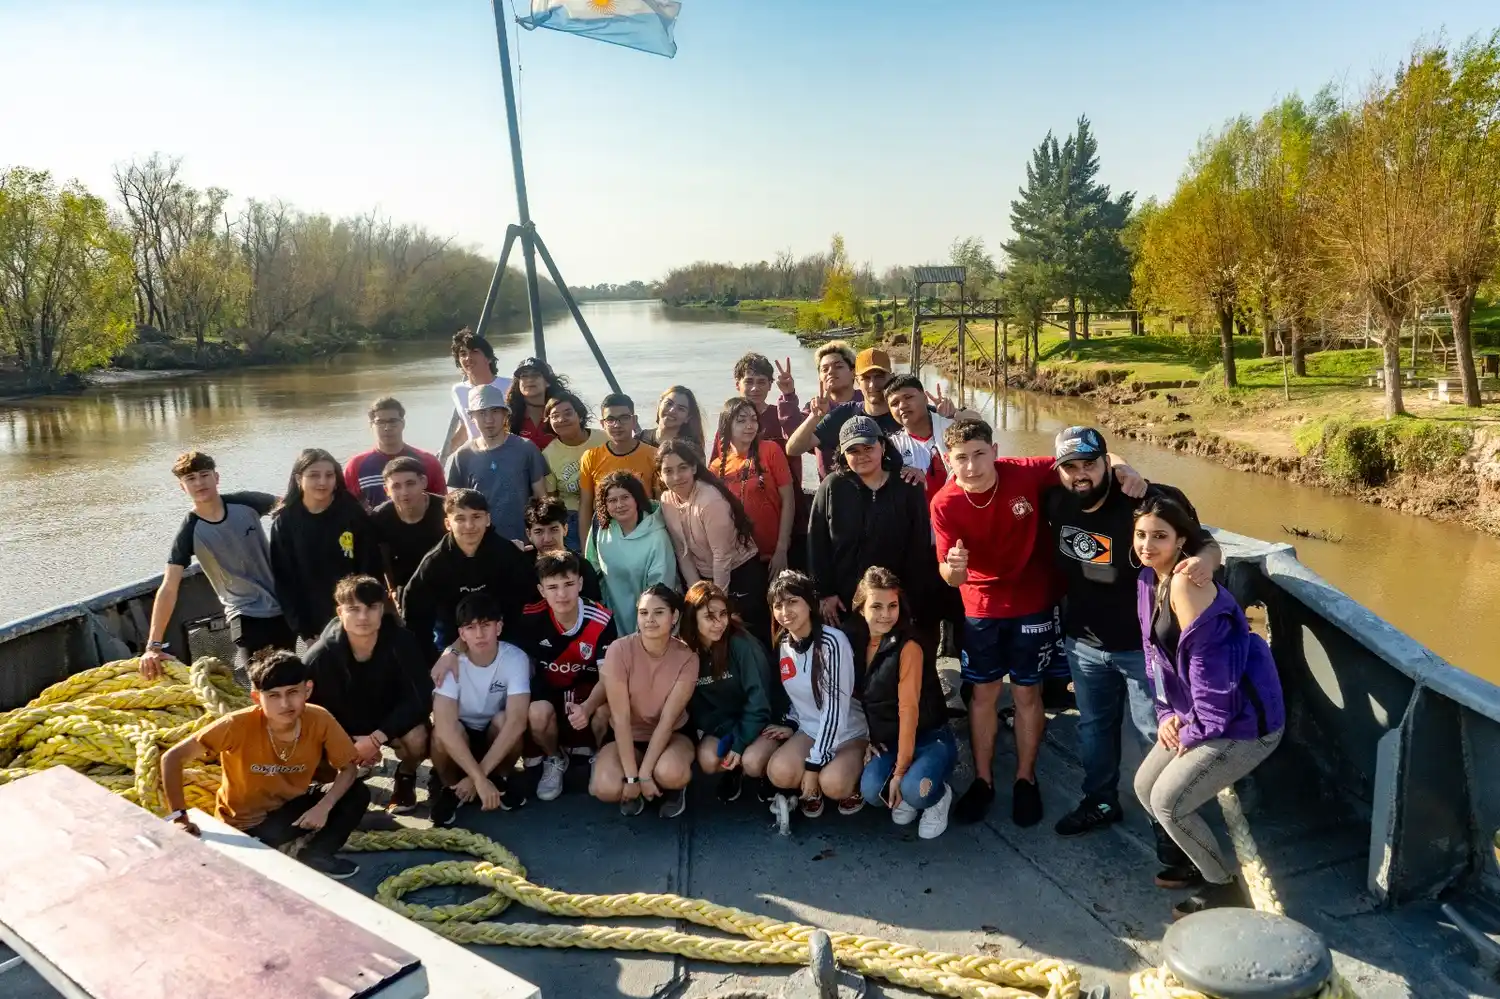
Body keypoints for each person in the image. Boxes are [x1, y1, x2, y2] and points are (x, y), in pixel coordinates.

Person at [930, 419, 1142, 828]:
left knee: (1028, 693)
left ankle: (1026, 779)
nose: (971, 467)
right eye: (960, 459)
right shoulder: (944, 503)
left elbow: (1081, 462)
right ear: (948, 460)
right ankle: (984, 780)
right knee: (984, 695)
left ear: (994, 450)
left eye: (979, 454)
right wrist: (954, 569)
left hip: (1032, 601)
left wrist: (1124, 467)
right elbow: (949, 576)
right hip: (981, 606)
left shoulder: (1024, 471)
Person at [1043, 425, 1221, 848]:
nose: (1080, 474)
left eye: (1090, 463)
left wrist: (1206, 564)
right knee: (1093, 729)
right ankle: (1100, 801)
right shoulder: (1054, 500)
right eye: (1070, 467)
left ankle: (1168, 821)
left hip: (1145, 650)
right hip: (1083, 643)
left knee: (1156, 735)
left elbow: (1205, 543)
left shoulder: (1146, 499)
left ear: (1107, 461)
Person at [1132, 493, 1285, 920]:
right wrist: (1166, 714)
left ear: (1182, 541)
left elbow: (1214, 684)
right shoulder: (1149, 580)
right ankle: (1188, 858)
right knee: (1145, 786)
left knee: (1167, 802)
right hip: (1195, 714)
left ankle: (1223, 886)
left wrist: (1193, 731)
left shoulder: (1188, 585)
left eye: (1160, 537)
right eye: (1141, 535)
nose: (1147, 545)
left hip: (1243, 724)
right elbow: (1153, 656)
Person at [160, 649, 368, 880]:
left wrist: (324, 806)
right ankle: (262, 848)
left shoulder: (320, 719)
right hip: (248, 825)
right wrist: (179, 818)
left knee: (358, 792)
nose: (285, 703)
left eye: (293, 692)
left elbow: (348, 768)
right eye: (273, 696)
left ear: (307, 690)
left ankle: (316, 854)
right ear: (257, 698)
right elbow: (172, 758)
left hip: (292, 807)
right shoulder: (235, 725)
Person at [140, 451, 291, 680]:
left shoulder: (246, 502)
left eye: (204, 475)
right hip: (245, 613)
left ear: (216, 477)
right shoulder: (190, 530)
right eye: (191, 479)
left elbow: (294, 507)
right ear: (182, 487)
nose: (199, 482)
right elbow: (169, 587)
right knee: (264, 681)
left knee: (292, 677)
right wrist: (153, 646)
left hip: (284, 603)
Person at [302, 575, 433, 813]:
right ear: (340, 612)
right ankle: (342, 781)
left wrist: (375, 739)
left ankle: (405, 776)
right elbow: (305, 712)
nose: (363, 617)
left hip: (388, 723)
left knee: (418, 739)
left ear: (382, 609)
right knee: (306, 748)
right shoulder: (318, 657)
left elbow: (421, 697)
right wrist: (348, 744)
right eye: (354, 609)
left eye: (371, 608)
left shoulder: (402, 642)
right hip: (342, 729)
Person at [750, 571, 868, 829]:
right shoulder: (784, 644)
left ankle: (851, 781)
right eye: (778, 605)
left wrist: (813, 767)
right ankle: (815, 780)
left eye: (793, 601)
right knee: (778, 772)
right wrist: (792, 723)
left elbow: (835, 710)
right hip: (811, 730)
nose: (785, 611)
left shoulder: (832, 642)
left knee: (833, 783)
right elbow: (799, 697)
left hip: (847, 732)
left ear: (809, 603)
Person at [808, 416, 944, 633]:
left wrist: (911, 600)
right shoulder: (832, 487)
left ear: (882, 446)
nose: (862, 456)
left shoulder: (907, 486)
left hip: (895, 601)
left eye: (868, 448)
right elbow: (817, 543)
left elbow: (918, 548)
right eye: (854, 451)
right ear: (843, 454)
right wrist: (825, 593)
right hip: (845, 601)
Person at [851, 567, 956, 840]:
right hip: (890, 739)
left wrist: (898, 772)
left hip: (929, 736)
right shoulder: (853, 641)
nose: (886, 614)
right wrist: (867, 739)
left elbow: (908, 709)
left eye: (892, 605)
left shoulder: (910, 646)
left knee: (913, 790)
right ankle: (909, 784)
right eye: (876, 606)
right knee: (872, 791)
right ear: (861, 608)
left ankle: (938, 797)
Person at [511, 550, 618, 801]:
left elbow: (608, 678)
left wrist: (589, 707)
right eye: (553, 587)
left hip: (587, 686)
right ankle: (554, 758)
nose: (562, 594)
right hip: (548, 688)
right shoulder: (530, 617)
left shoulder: (601, 619)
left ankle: (599, 758)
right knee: (537, 713)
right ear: (541, 590)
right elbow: (522, 669)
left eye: (569, 584)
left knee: (605, 710)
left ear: (580, 583)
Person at [589, 584, 699, 818]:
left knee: (670, 772)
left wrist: (646, 774)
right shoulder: (619, 649)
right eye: (644, 612)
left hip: (673, 735)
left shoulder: (688, 657)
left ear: (674, 616)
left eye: (659, 612)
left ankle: (671, 788)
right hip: (628, 733)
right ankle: (636, 786)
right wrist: (632, 777)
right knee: (604, 787)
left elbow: (667, 721)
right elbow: (619, 717)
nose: (650, 619)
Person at [428, 593, 532, 825]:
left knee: (506, 721)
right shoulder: (450, 664)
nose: (479, 633)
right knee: (439, 735)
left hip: (491, 734)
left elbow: (517, 722)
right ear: (462, 634)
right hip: (462, 733)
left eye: (486, 625)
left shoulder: (515, 659)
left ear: (499, 627)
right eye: (471, 627)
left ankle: (498, 776)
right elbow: (444, 727)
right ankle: (449, 787)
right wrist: (478, 779)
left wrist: (479, 776)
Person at [656, 439, 771, 645]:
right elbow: (684, 554)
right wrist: (698, 600)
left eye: (682, 468)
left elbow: (722, 557)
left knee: (749, 640)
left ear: (693, 468)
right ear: (660, 475)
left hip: (740, 572)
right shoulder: (666, 501)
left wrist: (718, 605)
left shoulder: (710, 500)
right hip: (704, 576)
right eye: (668, 471)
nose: (676, 477)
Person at [401, 489, 536, 660]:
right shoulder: (434, 564)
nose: (469, 525)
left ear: (487, 519)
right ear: (448, 523)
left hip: (502, 629)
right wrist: (430, 660)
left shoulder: (506, 554)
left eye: (476, 517)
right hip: (451, 633)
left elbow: (527, 597)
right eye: (460, 518)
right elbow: (415, 615)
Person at [679, 581, 780, 805]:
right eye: (709, 616)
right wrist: (728, 734)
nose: (718, 623)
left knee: (753, 761)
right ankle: (734, 769)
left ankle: (768, 774)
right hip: (726, 724)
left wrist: (741, 740)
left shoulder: (741, 645)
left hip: (761, 722)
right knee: (707, 759)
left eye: (723, 614)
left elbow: (760, 701)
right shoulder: (688, 651)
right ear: (692, 617)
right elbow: (697, 706)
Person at [269, 448, 382, 644]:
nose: (322, 482)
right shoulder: (286, 521)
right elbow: (285, 580)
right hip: (312, 620)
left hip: (356, 612)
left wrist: (364, 612)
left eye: (329, 475)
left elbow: (370, 565)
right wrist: (303, 630)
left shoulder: (351, 512)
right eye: (314, 475)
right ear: (298, 479)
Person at [445, 383, 548, 542]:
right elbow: (455, 509)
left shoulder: (526, 448)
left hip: (524, 544)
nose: (489, 420)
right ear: (472, 417)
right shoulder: (462, 456)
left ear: (505, 415)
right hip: (481, 545)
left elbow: (541, 499)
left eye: (495, 412)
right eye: (481, 413)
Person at [584, 470, 678, 635]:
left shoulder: (657, 536)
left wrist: (642, 631)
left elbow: (662, 588)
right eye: (612, 500)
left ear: (637, 499)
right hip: (611, 621)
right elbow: (592, 569)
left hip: (651, 623)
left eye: (625, 497)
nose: (619, 505)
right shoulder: (601, 527)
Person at [711, 396, 794, 577]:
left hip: (774, 552)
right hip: (739, 558)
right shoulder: (717, 467)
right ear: (726, 426)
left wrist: (782, 549)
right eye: (741, 420)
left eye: (753, 419)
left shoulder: (770, 450)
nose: (749, 425)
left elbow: (788, 499)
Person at [577, 393, 659, 539]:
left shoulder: (653, 455)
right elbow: (586, 506)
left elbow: (659, 504)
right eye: (610, 419)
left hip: (644, 530)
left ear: (634, 421)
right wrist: (585, 548)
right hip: (606, 532)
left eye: (624, 418)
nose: (617, 424)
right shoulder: (590, 457)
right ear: (602, 424)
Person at [775, 341, 861, 477]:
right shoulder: (815, 407)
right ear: (820, 378)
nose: (831, 372)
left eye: (838, 366)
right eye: (824, 369)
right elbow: (794, 438)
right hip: (832, 487)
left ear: (853, 372)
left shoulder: (866, 401)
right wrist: (788, 395)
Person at [344, 397, 446, 509]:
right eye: (380, 422)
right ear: (371, 425)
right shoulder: (356, 465)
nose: (387, 428)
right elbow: (348, 508)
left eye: (393, 421)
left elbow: (443, 506)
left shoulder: (428, 462)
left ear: (403, 423)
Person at [885, 375, 976, 500]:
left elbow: (980, 425)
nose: (902, 406)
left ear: (925, 399)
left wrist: (955, 413)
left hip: (962, 508)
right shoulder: (892, 446)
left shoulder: (952, 426)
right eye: (895, 403)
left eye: (908, 397)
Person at [371, 456, 446, 600]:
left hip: (444, 585)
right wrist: (391, 591)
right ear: (386, 490)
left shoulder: (445, 510)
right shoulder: (380, 517)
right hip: (403, 590)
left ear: (423, 482)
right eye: (396, 486)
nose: (404, 492)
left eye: (410, 484)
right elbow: (381, 559)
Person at [540, 390, 607, 550]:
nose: (561, 420)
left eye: (568, 413)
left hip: (607, 509)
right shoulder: (548, 454)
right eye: (555, 416)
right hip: (572, 516)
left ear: (580, 415)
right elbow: (552, 497)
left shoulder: (604, 438)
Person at [522, 495, 604, 602]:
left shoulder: (582, 567)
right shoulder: (521, 566)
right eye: (539, 532)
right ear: (529, 534)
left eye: (554, 529)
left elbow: (594, 609)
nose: (547, 539)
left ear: (565, 529)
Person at [449, 328, 512, 449]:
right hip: (478, 456)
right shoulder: (458, 390)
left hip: (508, 453)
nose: (468, 358)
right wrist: (440, 456)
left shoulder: (510, 385)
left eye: (474, 352)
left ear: (488, 358)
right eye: (463, 354)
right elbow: (467, 426)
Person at [507, 356, 568, 449]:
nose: (529, 379)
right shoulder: (508, 416)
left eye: (535, 375)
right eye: (524, 376)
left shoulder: (562, 411)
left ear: (548, 382)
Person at [640, 385, 705, 451]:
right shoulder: (641, 438)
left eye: (680, 409)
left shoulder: (691, 450)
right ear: (660, 404)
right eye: (669, 403)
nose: (672, 410)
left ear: (687, 418)